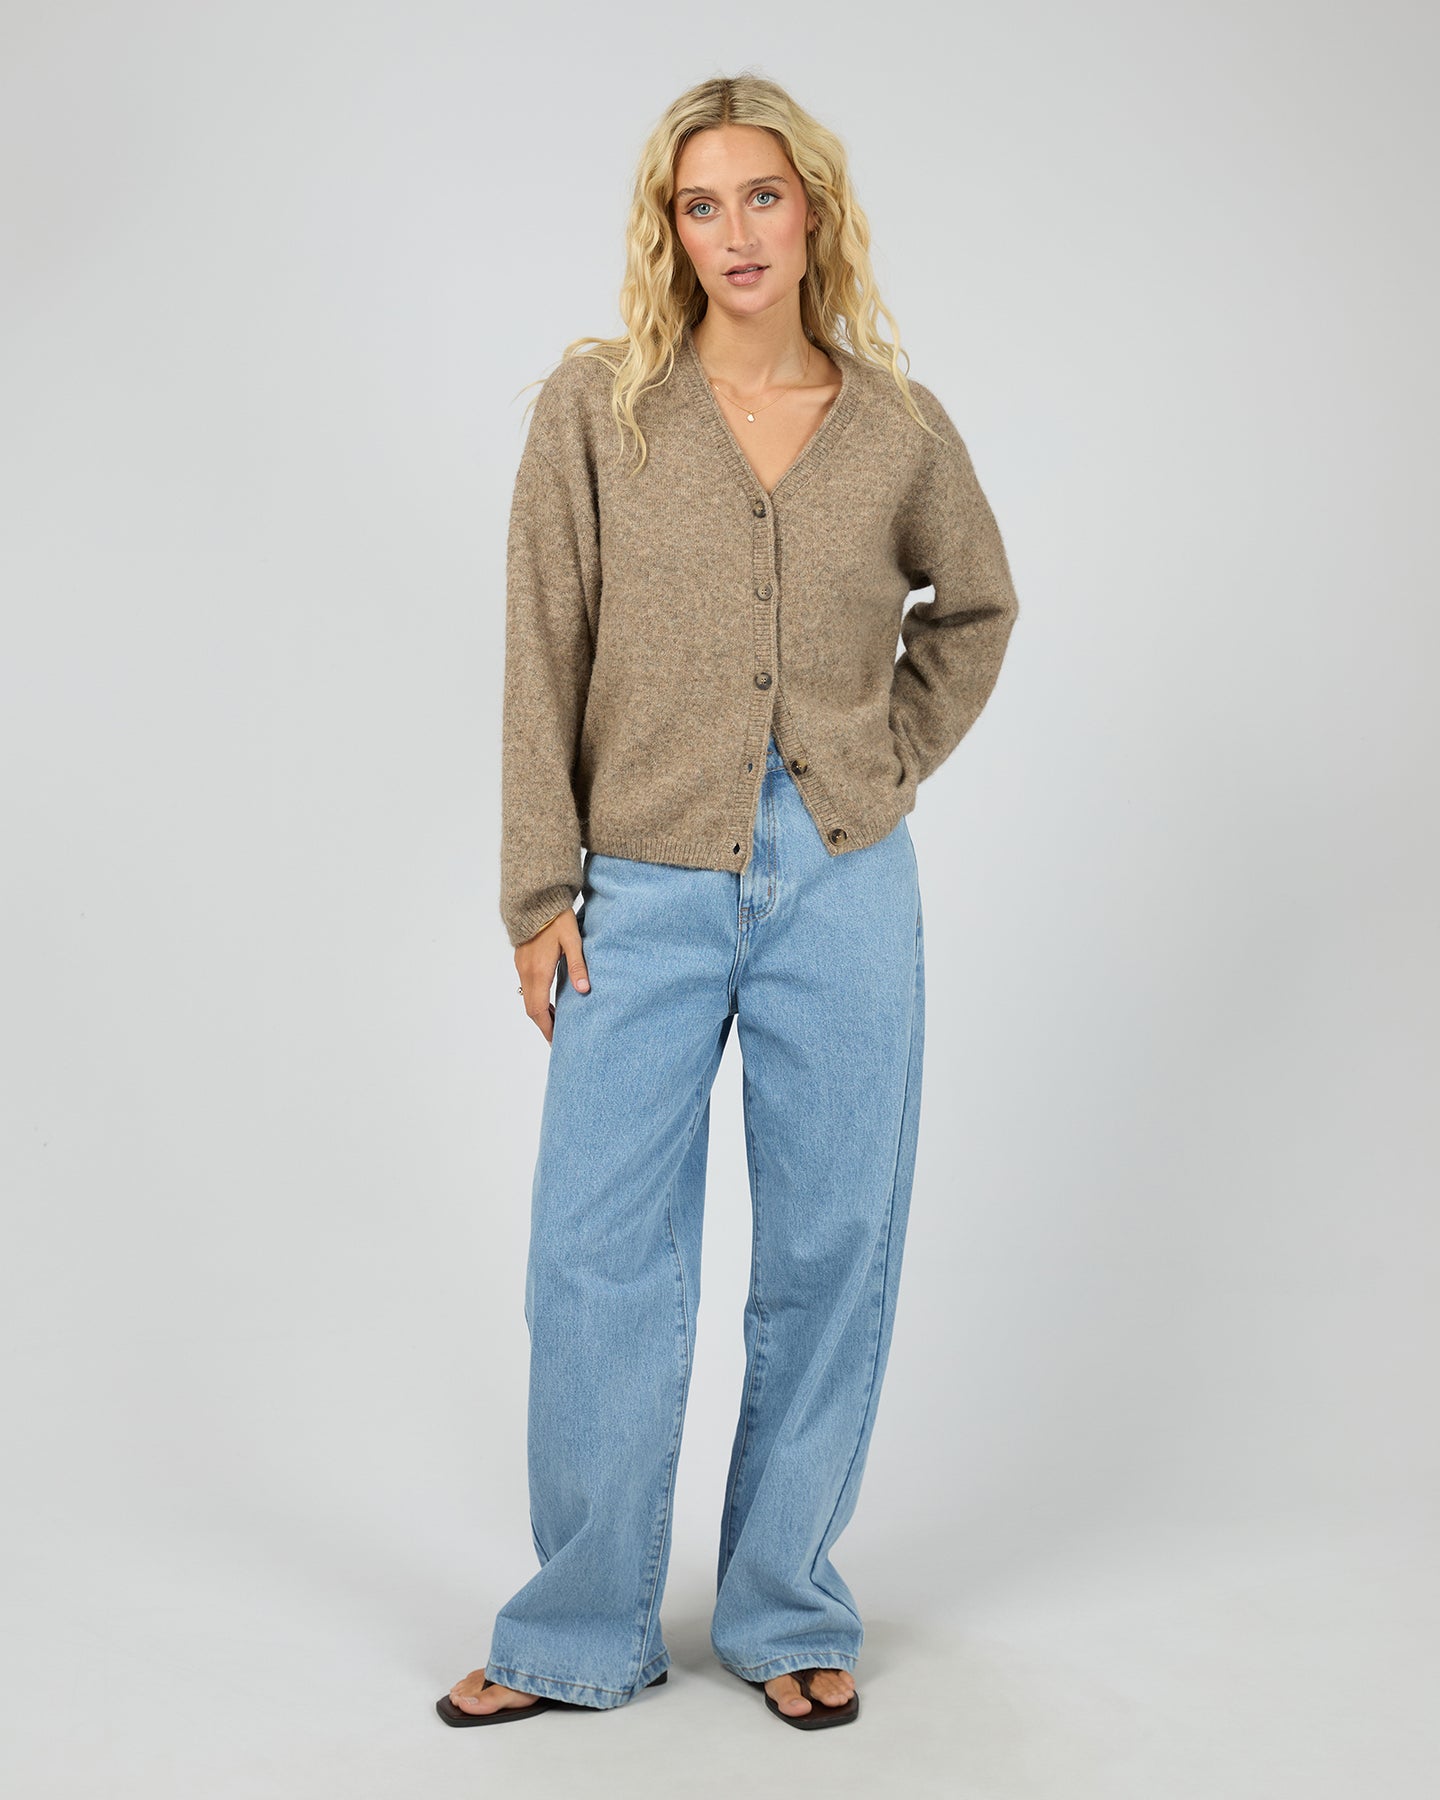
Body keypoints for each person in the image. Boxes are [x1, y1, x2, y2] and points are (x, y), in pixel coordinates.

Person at [439, 71, 1019, 1733]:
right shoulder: (602, 407)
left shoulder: (896, 425)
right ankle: (576, 1629)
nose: (736, 231)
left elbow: (976, 608)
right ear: (670, 231)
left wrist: (878, 766)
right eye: (702, 205)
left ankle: (785, 1606)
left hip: (842, 883)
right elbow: (540, 642)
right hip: (638, 882)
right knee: (593, 1257)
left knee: (833, 1247)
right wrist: (536, 889)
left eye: (762, 196)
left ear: (811, 210)